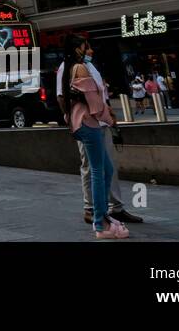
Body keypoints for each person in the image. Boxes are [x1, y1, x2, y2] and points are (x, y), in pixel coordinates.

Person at [55, 37, 142, 227]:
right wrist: (71, 118)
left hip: (100, 122)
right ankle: (93, 210)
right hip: (87, 122)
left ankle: (114, 208)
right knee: (92, 167)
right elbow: (62, 97)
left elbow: (98, 95)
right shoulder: (69, 67)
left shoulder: (89, 66)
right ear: (78, 49)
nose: (91, 51)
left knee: (107, 166)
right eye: (87, 47)